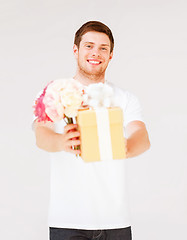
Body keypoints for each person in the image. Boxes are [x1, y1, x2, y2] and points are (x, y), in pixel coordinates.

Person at [33, 21, 150, 240]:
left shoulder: (124, 97)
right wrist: (61, 142)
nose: (96, 52)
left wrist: (126, 146)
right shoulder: (55, 92)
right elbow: (40, 134)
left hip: (116, 219)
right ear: (76, 50)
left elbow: (142, 137)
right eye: (89, 46)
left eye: (103, 48)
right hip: (67, 219)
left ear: (111, 55)